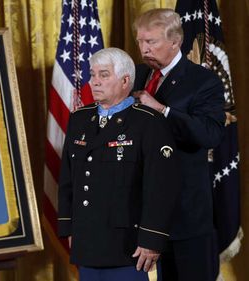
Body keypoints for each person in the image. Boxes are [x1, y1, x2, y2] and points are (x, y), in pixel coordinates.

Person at [57, 47, 180, 281]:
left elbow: (161, 188)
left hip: (132, 248)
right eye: (92, 75)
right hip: (88, 244)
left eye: (103, 75)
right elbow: (68, 179)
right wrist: (70, 228)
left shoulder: (148, 122)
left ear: (125, 81)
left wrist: (152, 240)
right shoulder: (79, 119)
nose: (94, 82)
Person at [132, 8, 226, 281]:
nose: (144, 48)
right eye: (140, 41)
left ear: (175, 42)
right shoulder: (137, 75)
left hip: (186, 218)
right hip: (144, 216)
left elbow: (210, 135)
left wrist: (163, 111)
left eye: (152, 42)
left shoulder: (202, 80)